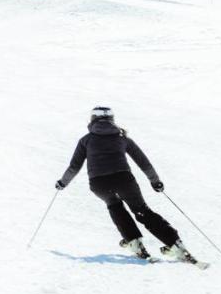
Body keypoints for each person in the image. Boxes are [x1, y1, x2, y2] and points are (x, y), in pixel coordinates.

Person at [54, 106, 194, 261]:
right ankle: (175, 245)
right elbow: (143, 162)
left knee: (114, 206)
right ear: (112, 119)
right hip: (124, 180)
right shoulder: (122, 138)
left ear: (92, 120)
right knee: (141, 211)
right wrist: (155, 182)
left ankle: (134, 242)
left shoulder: (85, 140)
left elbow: (74, 166)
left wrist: (63, 183)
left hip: (99, 183)